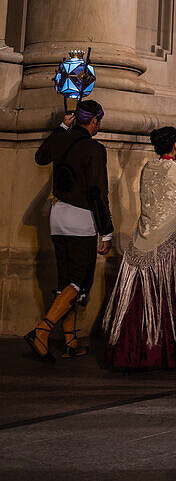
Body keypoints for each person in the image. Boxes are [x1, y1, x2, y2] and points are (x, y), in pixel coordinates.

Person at [103, 126, 176, 370]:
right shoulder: (174, 170)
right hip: (164, 248)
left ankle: (130, 355)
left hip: (140, 241)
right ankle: (166, 354)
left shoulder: (148, 167)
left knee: (136, 305)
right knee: (169, 299)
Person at [25, 99, 113, 362]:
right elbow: (98, 191)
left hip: (57, 216)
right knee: (79, 281)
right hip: (80, 218)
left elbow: (41, 157)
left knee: (66, 282)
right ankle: (42, 330)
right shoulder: (95, 148)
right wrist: (106, 231)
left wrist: (62, 126)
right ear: (94, 121)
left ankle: (70, 342)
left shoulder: (61, 139)